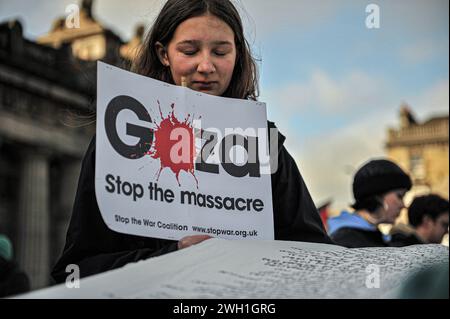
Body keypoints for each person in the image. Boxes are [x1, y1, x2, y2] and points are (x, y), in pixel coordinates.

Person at [52, 0, 332, 283]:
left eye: (221, 51)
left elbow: (316, 256)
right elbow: (75, 272)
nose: (206, 65)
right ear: (164, 54)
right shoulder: (121, 138)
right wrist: (173, 256)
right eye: (189, 51)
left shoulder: (265, 145)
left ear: (237, 55)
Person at [328, 159, 412, 248]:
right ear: (377, 196)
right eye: (400, 196)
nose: (403, 205)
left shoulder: (372, 236)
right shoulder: (347, 243)